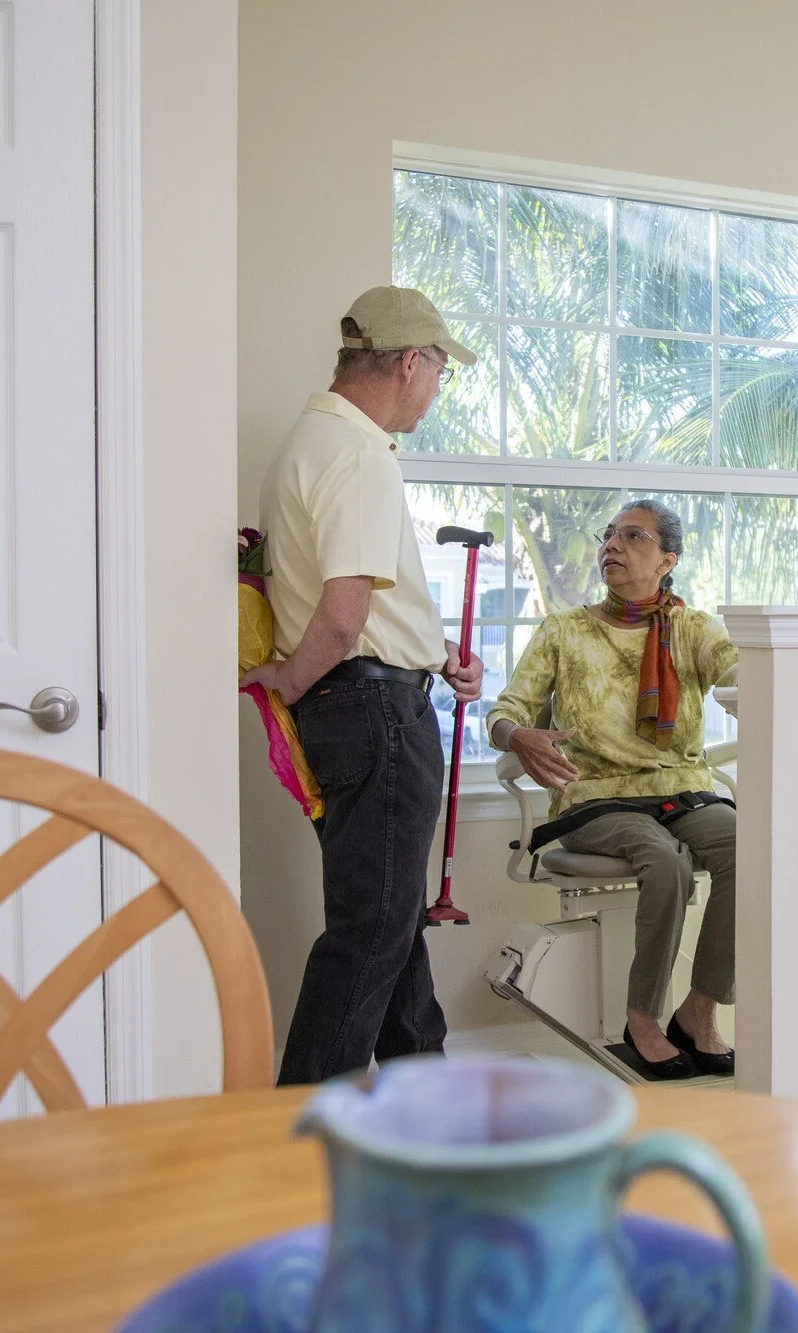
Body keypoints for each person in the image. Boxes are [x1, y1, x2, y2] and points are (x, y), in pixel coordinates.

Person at [243, 286, 484, 1085]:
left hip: (364, 700)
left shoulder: (314, 440)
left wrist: (429, 647)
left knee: (391, 923)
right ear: (410, 362)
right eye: (440, 372)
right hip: (375, 711)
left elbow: (353, 608)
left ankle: (430, 1096)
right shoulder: (358, 453)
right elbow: (342, 620)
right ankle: (296, 1132)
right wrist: (289, 675)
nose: (437, 390)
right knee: (372, 929)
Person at [486, 500, 739, 1079]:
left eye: (633, 536)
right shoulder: (564, 630)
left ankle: (699, 1010)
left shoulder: (694, 629)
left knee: (749, 849)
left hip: (682, 790)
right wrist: (519, 734)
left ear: (667, 559)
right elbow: (505, 711)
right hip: (593, 795)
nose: (613, 546)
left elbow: (742, 672)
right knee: (664, 860)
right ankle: (642, 1018)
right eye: (609, 535)